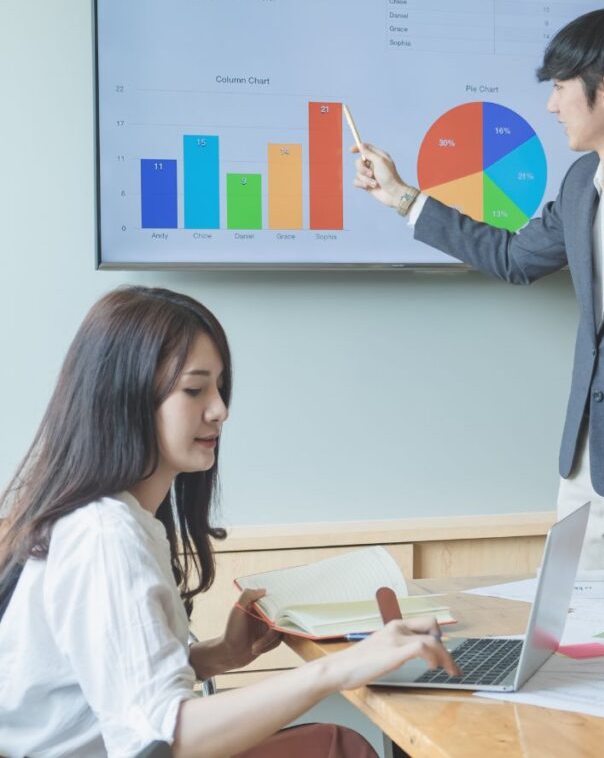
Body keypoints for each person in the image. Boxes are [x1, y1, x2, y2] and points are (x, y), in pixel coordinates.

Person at [353, 8, 604, 576]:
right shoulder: (580, 186)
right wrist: (402, 197)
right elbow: (514, 258)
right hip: (583, 470)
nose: (551, 105)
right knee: (583, 637)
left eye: (561, 87)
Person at [0, 287, 458, 758]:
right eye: (194, 389)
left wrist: (219, 655)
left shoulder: (121, 522)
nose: (220, 409)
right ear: (125, 398)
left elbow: (117, 685)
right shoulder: (104, 535)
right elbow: (165, 739)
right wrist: (335, 671)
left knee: (335, 746)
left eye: (219, 387)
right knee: (340, 749)